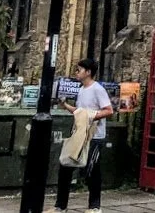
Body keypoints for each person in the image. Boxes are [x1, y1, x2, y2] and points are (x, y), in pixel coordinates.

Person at [55, 58, 115, 213]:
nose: (76, 72)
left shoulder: (97, 89)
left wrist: (90, 116)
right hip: (79, 135)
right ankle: (60, 206)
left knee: (92, 171)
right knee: (65, 167)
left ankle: (95, 207)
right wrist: (65, 105)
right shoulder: (81, 89)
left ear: (88, 72)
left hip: (94, 136)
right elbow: (79, 112)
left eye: (79, 69)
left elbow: (109, 110)